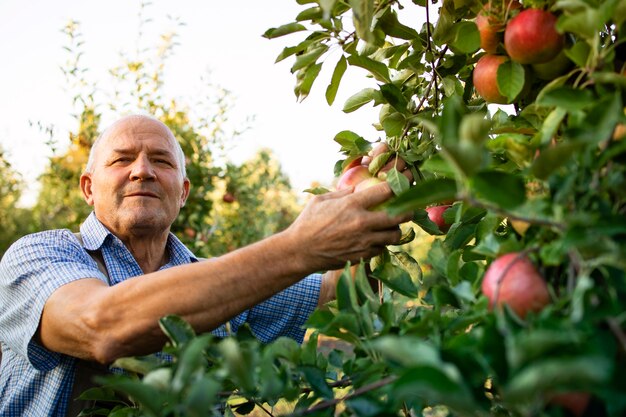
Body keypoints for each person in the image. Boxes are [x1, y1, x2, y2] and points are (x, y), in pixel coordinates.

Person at [0, 114, 411, 416]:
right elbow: (102, 326)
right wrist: (301, 246)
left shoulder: (226, 285)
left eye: (161, 162)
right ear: (89, 188)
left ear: (183, 192)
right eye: (121, 159)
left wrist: (374, 198)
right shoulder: (40, 256)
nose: (142, 170)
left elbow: (339, 294)